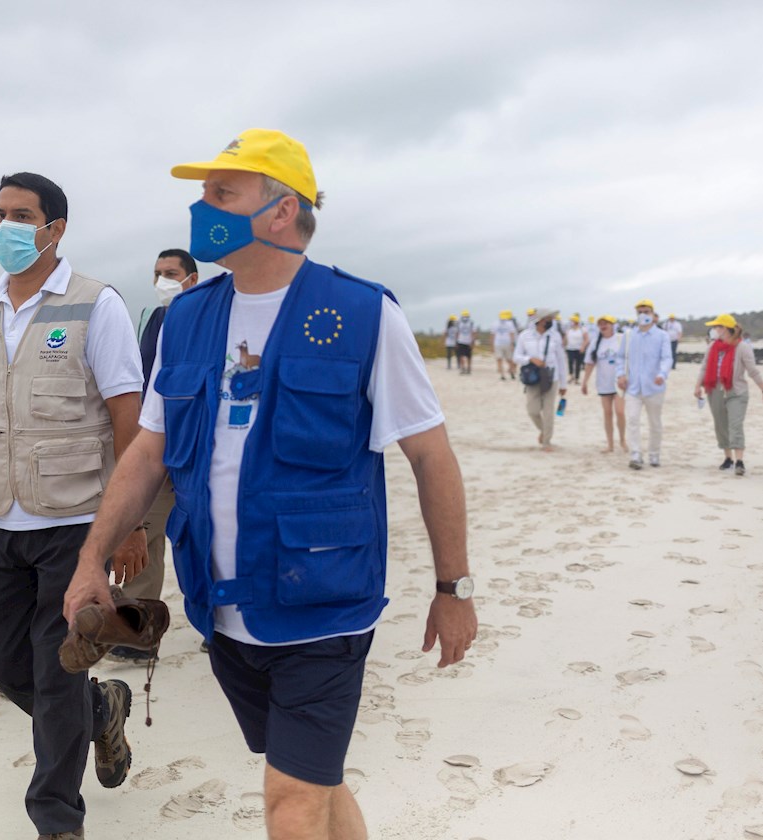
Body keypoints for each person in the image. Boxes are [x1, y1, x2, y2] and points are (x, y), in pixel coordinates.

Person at [62, 128, 477, 840]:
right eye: (202, 193)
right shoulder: (188, 317)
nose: (203, 208)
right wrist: (90, 558)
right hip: (221, 606)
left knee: (288, 804)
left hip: (325, 602)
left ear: (281, 211)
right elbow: (148, 452)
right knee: (314, 780)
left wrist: (453, 590)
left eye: (223, 193)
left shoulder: (363, 313)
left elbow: (431, 456)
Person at [0, 173, 146, 840]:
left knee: (53, 671)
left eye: (23, 215)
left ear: (56, 229)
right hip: (0, 521)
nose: (8, 227)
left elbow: (127, 415)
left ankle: (56, 818)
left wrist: (127, 525)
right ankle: (100, 710)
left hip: (74, 525)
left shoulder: (94, 304)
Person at [112, 248, 199, 665]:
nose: (162, 279)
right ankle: (136, 636)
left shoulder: (206, 319)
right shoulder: (151, 317)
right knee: (143, 535)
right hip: (155, 447)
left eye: (171, 273)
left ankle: (219, 628)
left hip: (198, 452)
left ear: (192, 279)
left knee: (206, 542)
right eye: (157, 272)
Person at [694, 315, 763, 475]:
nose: (715, 330)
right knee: (720, 424)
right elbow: (704, 367)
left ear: (728, 329)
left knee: (735, 425)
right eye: (715, 327)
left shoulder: (742, 347)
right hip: (714, 390)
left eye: (718, 327)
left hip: (736, 391)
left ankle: (739, 461)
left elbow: (752, 371)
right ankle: (728, 457)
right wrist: (697, 386)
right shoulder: (712, 347)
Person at [618, 298, 673, 470]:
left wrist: (662, 374)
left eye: (646, 312)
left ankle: (654, 453)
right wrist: (620, 375)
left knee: (654, 422)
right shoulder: (629, 335)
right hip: (632, 387)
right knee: (633, 420)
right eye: (640, 312)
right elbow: (620, 357)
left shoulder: (662, 336)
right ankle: (635, 453)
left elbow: (667, 358)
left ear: (653, 314)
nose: (643, 315)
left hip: (654, 387)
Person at [513, 308, 568, 452]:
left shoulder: (555, 336)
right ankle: (544, 431)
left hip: (551, 378)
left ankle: (546, 442)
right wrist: (530, 359)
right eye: (549, 318)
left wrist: (564, 383)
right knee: (533, 410)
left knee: (549, 411)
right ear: (541, 320)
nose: (552, 321)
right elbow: (516, 356)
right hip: (532, 378)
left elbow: (561, 360)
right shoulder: (525, 336)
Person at [581, 315, 626, 453]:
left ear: (613, 325)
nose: (603, 326)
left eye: (606, 323)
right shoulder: (596, 342)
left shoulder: (621, 338)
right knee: (607, 413)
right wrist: (585, 382)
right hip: (603, 382)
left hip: (620, 382)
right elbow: (590, 363)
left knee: (620, 412)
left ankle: (623, 440)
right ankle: (610, 444)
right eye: (600, 324)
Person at [490, 310, 518, 381]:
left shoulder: (510, 323)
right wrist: (492, 345)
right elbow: (492, 335)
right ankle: (502, 375)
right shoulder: (495, 324)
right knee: (499, 359)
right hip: (498, 344)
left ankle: (511, 372)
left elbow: (512, 334)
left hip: (507, 344)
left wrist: (512, 344)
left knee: (509, 359)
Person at [564, 315, 587, 384]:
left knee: (578, 364)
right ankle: (571, 376)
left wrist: (583, 347)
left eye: (572, 321)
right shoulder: (568, 330)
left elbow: (586, 339)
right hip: (570, 349)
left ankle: (577, 378)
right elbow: (565, 339)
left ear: (576, 322)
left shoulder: (582, 329)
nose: (571, 322)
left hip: (579, 349)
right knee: (570, 362)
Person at [455, 309, 476, 374]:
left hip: (468, 341)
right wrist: (457, 342)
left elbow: (473, 332)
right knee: (462, 356)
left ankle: (468, 368)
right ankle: (463, 368)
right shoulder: (459, 323)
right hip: (461, 341)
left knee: (468, 356)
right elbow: (457, 333)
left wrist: (472, 341)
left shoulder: (471, 323)